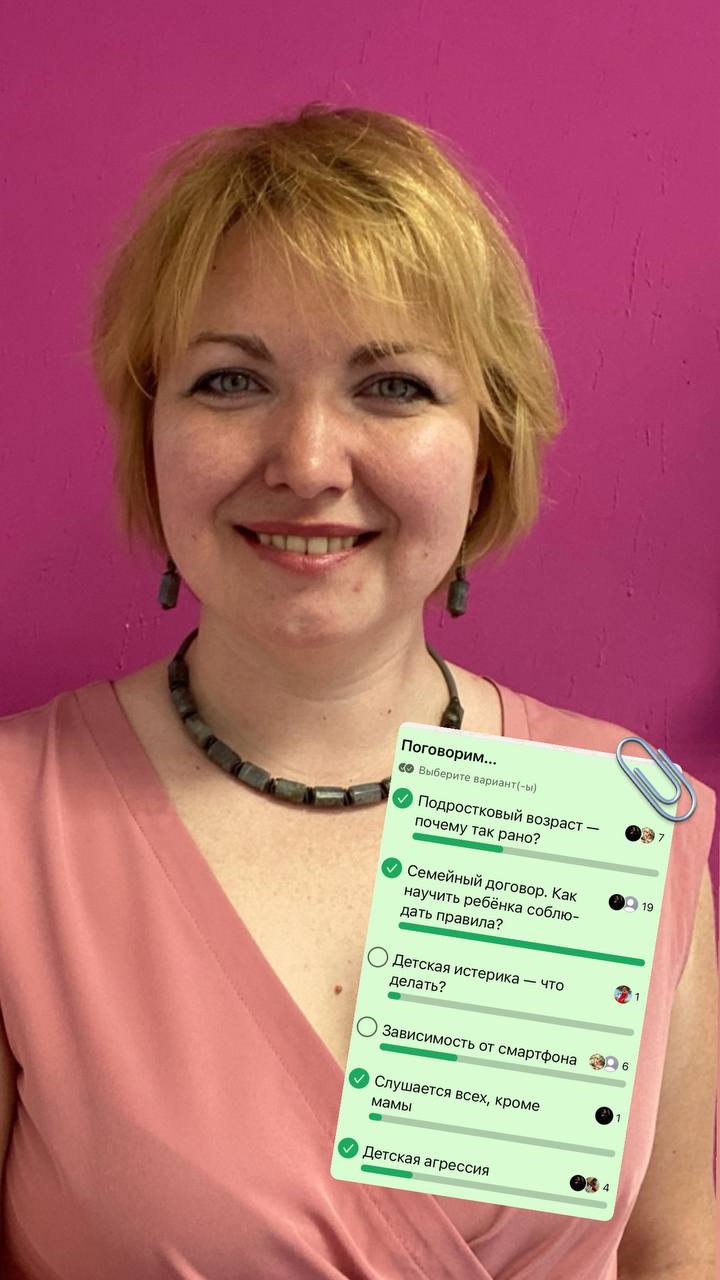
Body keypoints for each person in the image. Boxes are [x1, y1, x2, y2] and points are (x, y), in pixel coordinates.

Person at [0, 103, 715, 1280]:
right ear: (150, 432)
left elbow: (680, 1253)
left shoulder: (626, 814)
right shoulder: (16, 824)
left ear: (487, 446)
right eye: (232, 379)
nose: (308, 461)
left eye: (391, 386)